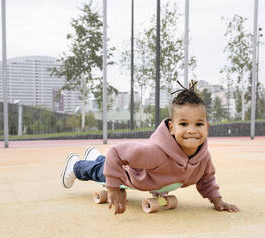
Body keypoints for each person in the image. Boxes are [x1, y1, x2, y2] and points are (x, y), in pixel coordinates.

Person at [61, 80, 240, 215]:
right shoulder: (155, 153)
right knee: (98, 171)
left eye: (198, 124)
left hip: (144, 176)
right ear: (171, 127)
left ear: (207, 127)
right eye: (184, 124)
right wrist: (114, 188)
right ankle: (75, 165)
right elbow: (116, 152)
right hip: (128, 175)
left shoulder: (203, 158)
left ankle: (95, 156)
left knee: (104, 163)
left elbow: (206, 179)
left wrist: (217, 201)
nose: (192, 131)